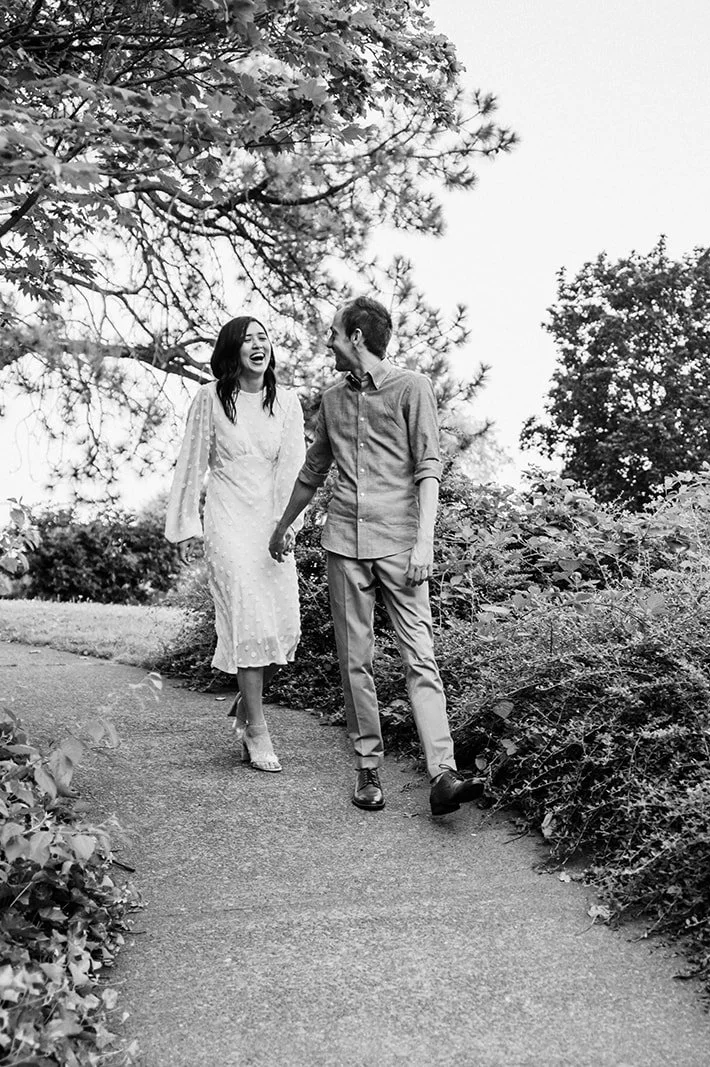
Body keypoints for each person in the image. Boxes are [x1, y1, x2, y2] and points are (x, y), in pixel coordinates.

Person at [268, 295, 484, 816]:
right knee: (355, 662)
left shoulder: (412, 389)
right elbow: (312, 471)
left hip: (401, 545)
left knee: (420, 658)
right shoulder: (333, 399)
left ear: (357, 338)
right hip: (344, 544)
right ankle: (368, 770)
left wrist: (425, 542)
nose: (329, 343)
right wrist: (280, 528)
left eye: (335, 335)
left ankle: (443, 774)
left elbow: (427, 469)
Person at [166, 316, 305, 773]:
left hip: (270, 521)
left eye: (263, 337)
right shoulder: (209, 399)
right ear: (233, 351)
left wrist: (288, 527)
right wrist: (187, 526)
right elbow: (190, 463)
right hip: (227, 520)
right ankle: (258, 729)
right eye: (247, 339)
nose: (257, 345)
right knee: (249, 622)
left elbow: (294, 470)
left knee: (279, 624)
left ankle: (244, 709)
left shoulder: (287, 402)